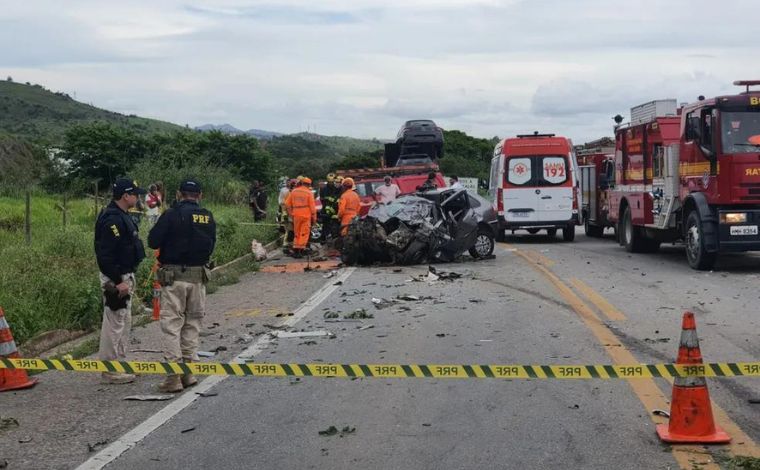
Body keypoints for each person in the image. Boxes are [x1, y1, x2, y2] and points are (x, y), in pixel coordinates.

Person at [148, 179, 216, 393]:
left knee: (172, 326)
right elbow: (211, 244)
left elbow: (153, 241)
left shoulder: (171, 214)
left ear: (179, 194)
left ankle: (173, 377)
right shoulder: (207, 216)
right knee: (192, 325)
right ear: (200, 195)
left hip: (174, 278)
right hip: (198, 278)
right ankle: (188, 373)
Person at [94, 178, 147, 384]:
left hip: (125, 275)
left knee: (124, 321)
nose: (138, 197)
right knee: (114, 322)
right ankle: (109, 369)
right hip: (116, 278)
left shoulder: (121, 215)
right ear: (126, 196)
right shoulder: (112, 220)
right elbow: (105, 255)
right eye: (135, 194)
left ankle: (120, 363)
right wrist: (117, 281)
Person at [285, 177, 317, 258]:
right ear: (309, 184)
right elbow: (313, 208)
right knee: (304, 233)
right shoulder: (309, 193)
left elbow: (287, 204)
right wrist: (314, 219)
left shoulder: (294, 191)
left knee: (297, 232)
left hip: (296, 215)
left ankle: (296, 249)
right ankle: (300, 251)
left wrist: (291, 214)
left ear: (302, 183)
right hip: (306, 216)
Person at [319, 174, 340, 242]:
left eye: (332, 182)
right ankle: (323, 239)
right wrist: (329, 201)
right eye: (330, 182)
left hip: (335, 209)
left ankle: (334, 238)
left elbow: (338, 198)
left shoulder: (336, 188)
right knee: (325, 225)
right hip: (326, 210)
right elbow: (322, 199)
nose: (331, 183)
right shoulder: (323, 189)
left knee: (335, 225)